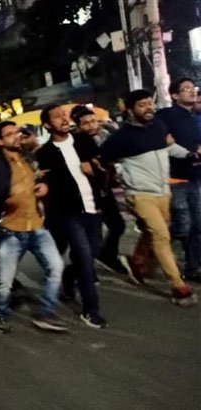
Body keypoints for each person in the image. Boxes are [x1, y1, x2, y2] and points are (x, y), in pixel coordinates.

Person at [100, 89, 199, 306]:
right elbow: (102, 160)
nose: (149, 108)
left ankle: (136, 261)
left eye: (149, 103)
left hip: (163, 191)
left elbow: (169, 147)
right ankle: (178, 286)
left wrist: (189, 154)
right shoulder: (120, 137)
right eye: (142, 105)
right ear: (130, 110)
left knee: (152, 231)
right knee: (162, 235)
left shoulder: (159, 126)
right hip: (140, 194)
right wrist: (119, 174)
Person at [0, 121, 68, 334]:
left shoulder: (27, 157)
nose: (16, 136)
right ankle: (0, 313)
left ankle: (45, 313)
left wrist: (43, 185)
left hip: (37, 226)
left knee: (56, 267)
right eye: (10, 134)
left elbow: (38, 178)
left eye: (17, 132)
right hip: (11, 231)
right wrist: (8, 196)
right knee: (5, 282)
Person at [37, 104, 108, 328]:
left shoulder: (84, 141)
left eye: (65, 115)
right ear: (47, 125)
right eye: (58, 117)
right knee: (85, 259)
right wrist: (42, 183)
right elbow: (46, 184)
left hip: (93, 207)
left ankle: (68, 276)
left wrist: (94, 170)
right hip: (69, 213)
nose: (64, 119)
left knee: (93, 252)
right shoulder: (44, 153)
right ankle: (90, 309)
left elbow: (104, 171)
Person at [70, 105, 129, 275]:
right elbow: (89, 168)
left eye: (93, 121)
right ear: (78, 126)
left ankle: (107, 256)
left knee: (116, 225)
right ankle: (77, 272)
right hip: (89, 193)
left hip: (104, 190)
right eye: (86, 123)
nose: (91, 126)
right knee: (91, 234)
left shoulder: (101, 137)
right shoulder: (78, 141)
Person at [156, 78, 201, 282]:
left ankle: (192, 268)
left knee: (197, 227)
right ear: (174, 95)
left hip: (195, 177)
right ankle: (152, 242)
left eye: (193, 88)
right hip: (175, 179)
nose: (192, 92)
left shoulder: (193, 116)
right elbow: (160, 139)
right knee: (183, 226)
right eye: (186, 89)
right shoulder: (166, 115)